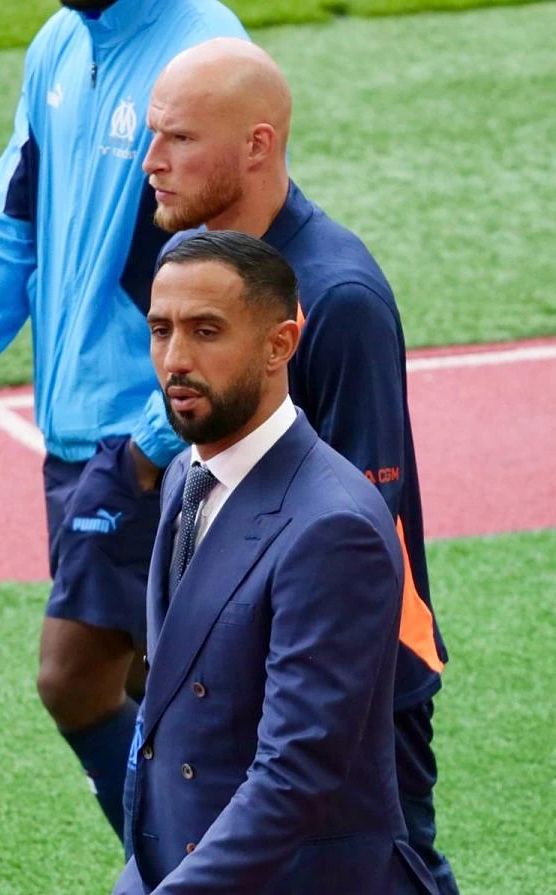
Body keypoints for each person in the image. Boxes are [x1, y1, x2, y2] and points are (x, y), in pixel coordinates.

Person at [0, 0, 247, 844]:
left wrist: (151, 444)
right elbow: (8, 226)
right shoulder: (60, 46)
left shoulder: (203, 51)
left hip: (157, 437)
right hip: (78, 440)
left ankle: (195, 870)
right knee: (156, 687)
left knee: (76, 679)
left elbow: (236, 273)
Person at [140, 38, 458, 891]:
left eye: (179, 138)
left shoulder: (338, 298)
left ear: (257, 145)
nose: (152, 161)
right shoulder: (196, 262)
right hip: (242, 661)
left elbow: (356, 521)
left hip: (350, 677)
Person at [113, 230, 439, 894]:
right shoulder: (184, 478)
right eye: (161, 330)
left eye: (207, 331)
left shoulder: (334, 528)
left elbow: (295, 774)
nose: (175, 359)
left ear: (280, 344)